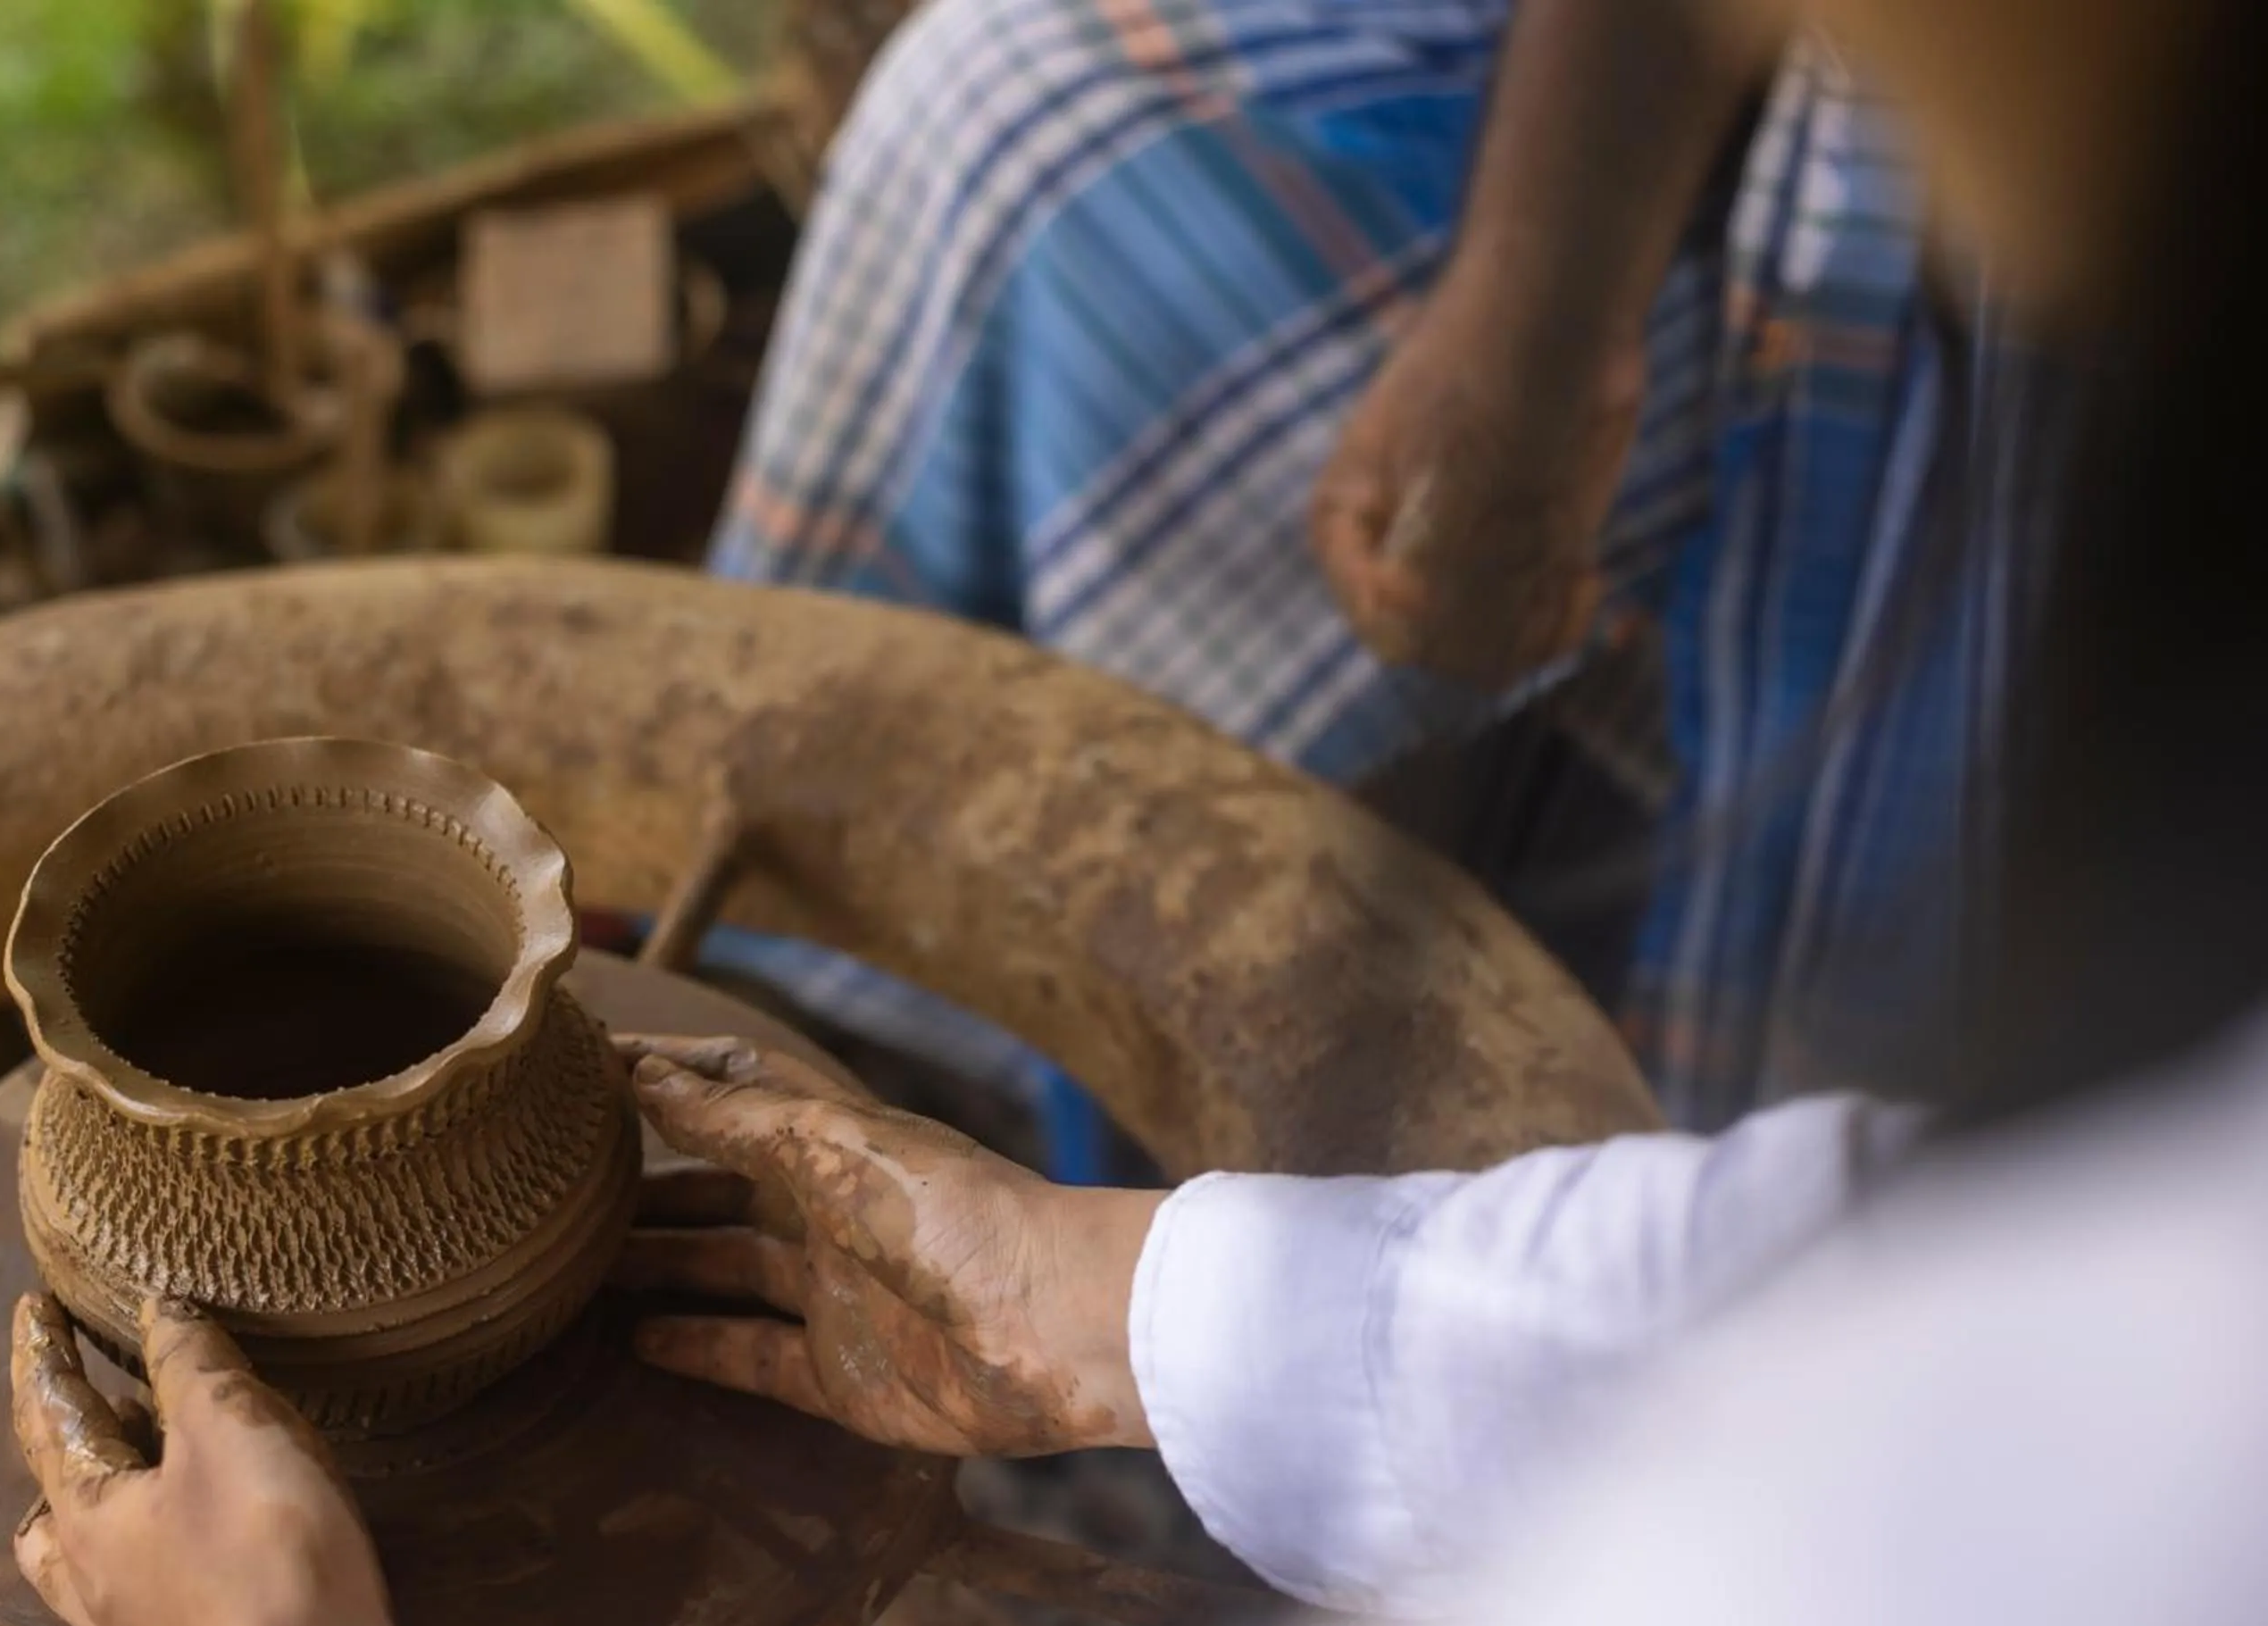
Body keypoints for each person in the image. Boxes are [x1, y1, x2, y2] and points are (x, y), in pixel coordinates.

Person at [7, 0, 2268, 1626]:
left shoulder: (1901, 1625)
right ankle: (974, 1080)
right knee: (1002, 112)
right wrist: (1120, 1303)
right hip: (1742, 184)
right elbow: (1793, 1275)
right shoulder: (2076, 1293)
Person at [707, 0, 2053, 1134]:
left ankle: (1230, 1150)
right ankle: (856, 986)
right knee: (1001, 110)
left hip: (2003, 178)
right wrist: (1535, 307)